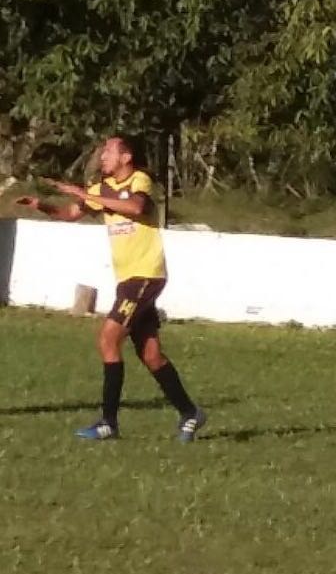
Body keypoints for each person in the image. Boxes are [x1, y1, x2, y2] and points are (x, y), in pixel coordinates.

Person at [16, 134, 206, 442]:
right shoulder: (99, 189)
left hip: (146, 274)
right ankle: (190, 413)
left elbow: (135, 207)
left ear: (126, 157)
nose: (102, 156)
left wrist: (83, 192)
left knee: (108, 338)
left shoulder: (140, 179)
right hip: (127, 279)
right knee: (151, 354)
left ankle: (108, 422)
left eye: (108, 151)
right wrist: (42, 205)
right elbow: (70, 214)